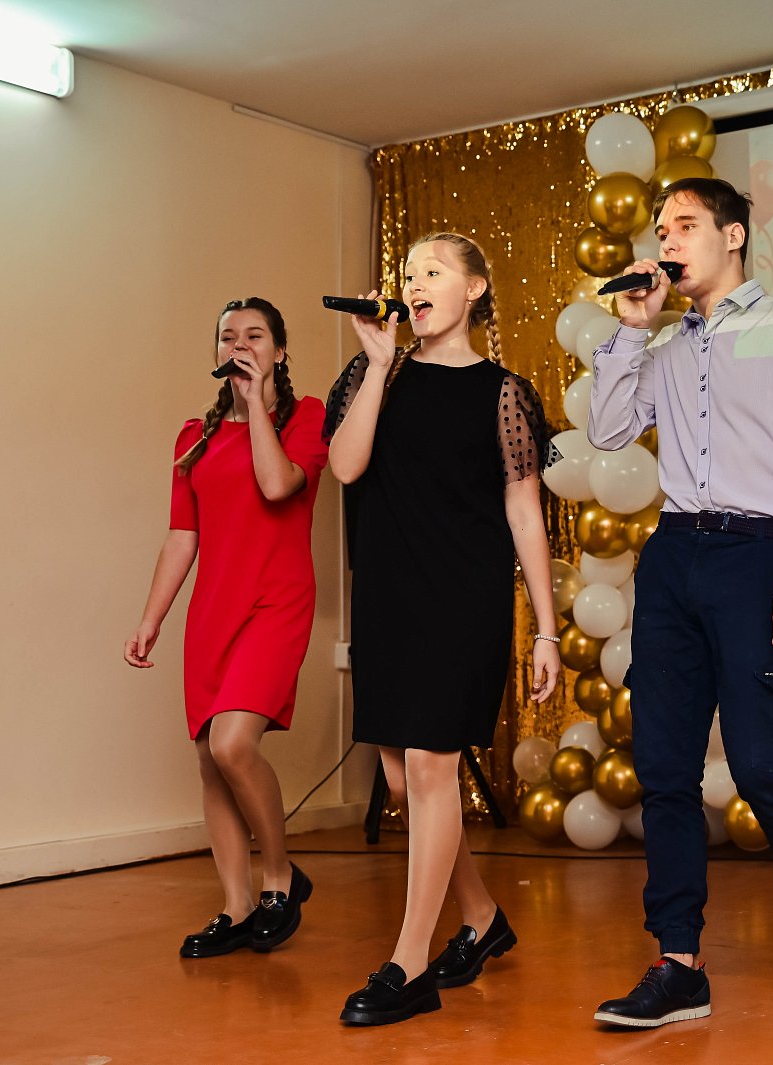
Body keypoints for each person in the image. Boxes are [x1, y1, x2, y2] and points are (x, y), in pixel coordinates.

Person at [587, 177, 773, 1027]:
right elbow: (606, 432)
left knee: (758, 761)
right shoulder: (665, 344)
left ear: (733, 235)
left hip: (758, 555)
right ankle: (679, 962)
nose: (667, 241)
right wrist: (633, 330)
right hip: (674, 555)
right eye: (661, 229)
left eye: (685, 225)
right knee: (665, 767)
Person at [324, 232, 560, 1026]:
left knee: (429, 766)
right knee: (405, 782)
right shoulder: (374, 373)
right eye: (409, 272)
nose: (415, 282)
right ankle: (482, 916)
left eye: (434, 270)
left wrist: (547, 630)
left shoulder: (504, 393)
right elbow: (345, 466)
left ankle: (409, 963)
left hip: (465, 598)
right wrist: (377, 362)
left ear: (475, 289)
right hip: (389, 598)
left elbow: (524, 513)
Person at [125, 297, 330, 958]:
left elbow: (277, 485)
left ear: (279, 351)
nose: (239, 345)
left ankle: (281, 877)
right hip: (213, 610)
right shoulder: (194, 437)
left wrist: (257, 405)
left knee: (233, 744)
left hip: (276, 603)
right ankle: (236, 905)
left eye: (255, 336)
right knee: (210, 762)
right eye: (228, 337)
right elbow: (182, 536)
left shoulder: (308, 416)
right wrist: (151, 619)